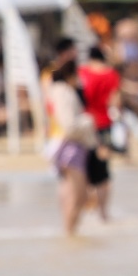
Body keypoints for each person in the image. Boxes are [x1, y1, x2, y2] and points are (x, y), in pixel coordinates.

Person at [46, 60, 95, 237]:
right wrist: (88, 121)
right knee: (78, 195)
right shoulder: (63, 92)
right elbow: (69, 124)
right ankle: (70, 232)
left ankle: (69, 231)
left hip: (63, 145)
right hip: (71, 146)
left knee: (70, 192)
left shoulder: (57, 91)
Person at [77, 46, 121, 221]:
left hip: (85, 126)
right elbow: (115, 103)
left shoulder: (82, 73)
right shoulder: (111, 75)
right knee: (103, 172)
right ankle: (103, 214)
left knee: (86, 169)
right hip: (104, 126)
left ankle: (86, 211)